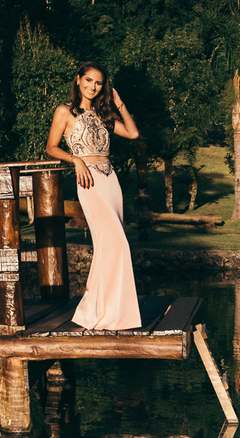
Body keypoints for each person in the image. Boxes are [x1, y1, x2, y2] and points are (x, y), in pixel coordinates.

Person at [45, 62, 142, 330]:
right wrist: (75, 159)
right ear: (78, 80)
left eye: (98, 83)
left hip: (111, 181)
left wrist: (119, 104)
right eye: (88, 80)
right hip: (89, 181)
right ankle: (97, 311)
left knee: (109, 246)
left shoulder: (104, 115)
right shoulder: (65, 112)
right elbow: (51, 147)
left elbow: (133, 133)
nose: (92, 86)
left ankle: (103, 312)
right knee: (117, 244)